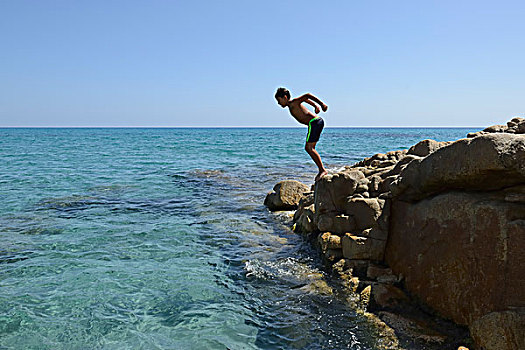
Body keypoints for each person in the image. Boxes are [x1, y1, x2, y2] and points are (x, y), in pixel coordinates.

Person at [275, 87, 328, 181]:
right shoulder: (293, 104)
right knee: (310, 148)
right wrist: (315, 106)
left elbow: (307, 95)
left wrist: (321, 104)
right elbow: (306, 100)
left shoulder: (293, 102)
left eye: (279, 100)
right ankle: (321, 169)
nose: (278, 103)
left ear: (285, 97)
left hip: (314, 122)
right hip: (315, 123)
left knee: (309, 148)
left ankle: (322, 170)